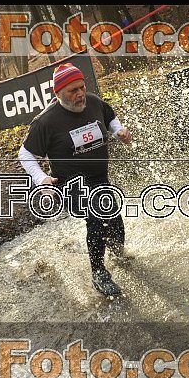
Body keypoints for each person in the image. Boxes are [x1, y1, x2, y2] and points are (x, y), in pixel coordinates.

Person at [18, 63, 133, 297]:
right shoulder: (46, 121)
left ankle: (117, 253)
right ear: (58, 93)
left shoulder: (93, 102)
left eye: (82, 87)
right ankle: (99, 273)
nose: (80, 94)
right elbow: (25, 153)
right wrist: (41, 178)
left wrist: (118, 131)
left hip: (99, 178)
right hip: (71, 184)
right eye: (72, 90)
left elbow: (110, 116)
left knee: (114, 221)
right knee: (97, 218)